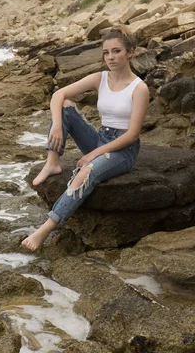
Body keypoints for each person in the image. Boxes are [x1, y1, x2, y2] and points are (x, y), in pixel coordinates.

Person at [21, 25, 150, 251]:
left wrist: (94, 154)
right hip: (102, 136)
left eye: (116, 51)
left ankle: (45, 228)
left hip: (123, 150)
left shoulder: (139, 88)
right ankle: (52, 163)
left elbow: (132, 134)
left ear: (130, 52)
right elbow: (58, 94)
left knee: (85, 174)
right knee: (65, 107)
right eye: (106, 52)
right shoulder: (100, 79)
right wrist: (59, 125)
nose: (110, 57)